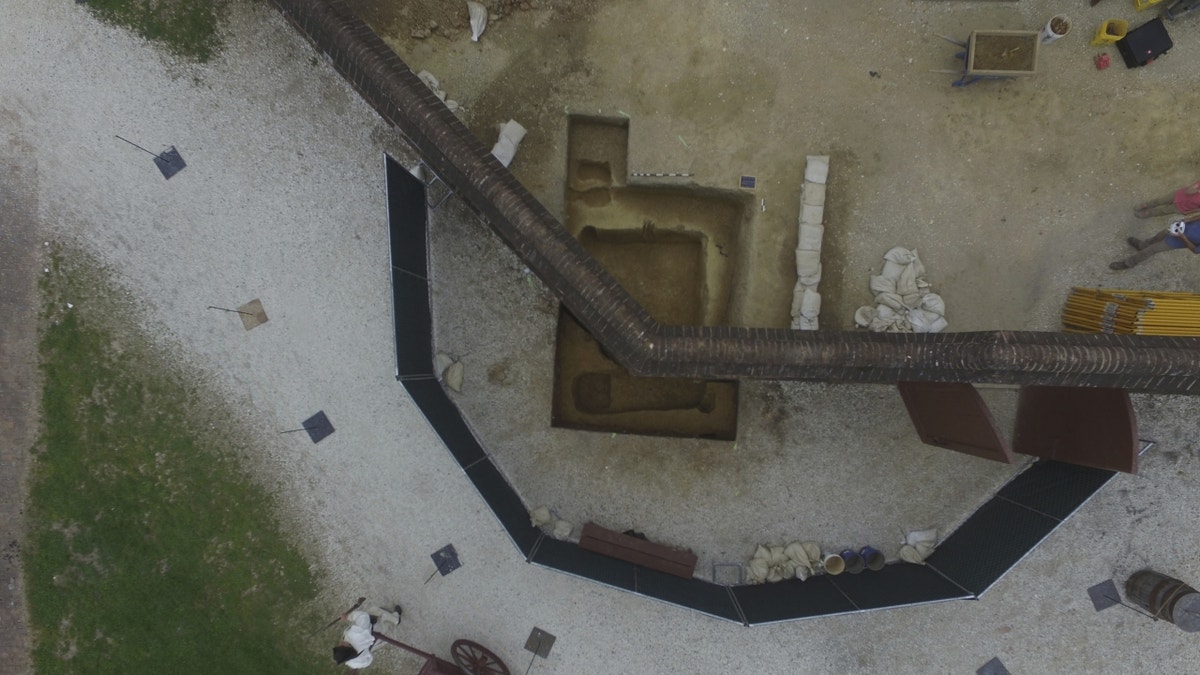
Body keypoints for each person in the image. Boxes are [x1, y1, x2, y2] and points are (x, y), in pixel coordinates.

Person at [332, 603, 403, 670]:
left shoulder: (352, 663)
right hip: (375, 628)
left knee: (385, 627)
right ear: (347, 648)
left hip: (376, 641)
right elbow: (363, 616)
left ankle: (389, 622)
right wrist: (348, 617)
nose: (340, 643)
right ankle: (396, 619)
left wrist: (367, 649)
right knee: (376, 611)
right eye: (342, 646)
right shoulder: (354, 634)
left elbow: (368, 661)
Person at [1110, 219, 1200, 270]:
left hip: (1174, 242)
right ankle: (1142, 245)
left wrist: (1183, 237)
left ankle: (1128, 263)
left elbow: (1195, 250)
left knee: (1150, 250)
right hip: (1176, 228)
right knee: (1157, 237)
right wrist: (1186, 220)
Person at [1134, 179, 1200, 219]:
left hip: (1183, 208)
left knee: (1163, 211)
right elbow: (1188, 191)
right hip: (1178, 195)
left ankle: (1149, 213)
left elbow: (1198, 210)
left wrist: (1188, 212)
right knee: (1160, 200)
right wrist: (1197, 190)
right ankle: (1147, 204)